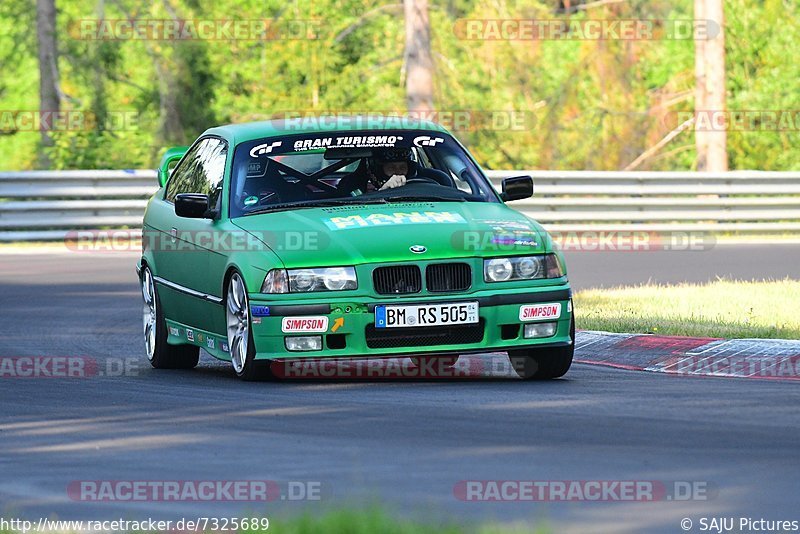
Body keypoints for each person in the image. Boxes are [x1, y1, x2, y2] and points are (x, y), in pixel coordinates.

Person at [337, 148, 416, 196]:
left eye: (403, 167)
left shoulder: (421, 181)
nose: (398, 172)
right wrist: (383, 192)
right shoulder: (350, 184)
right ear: (377, 169)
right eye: (391, 168)